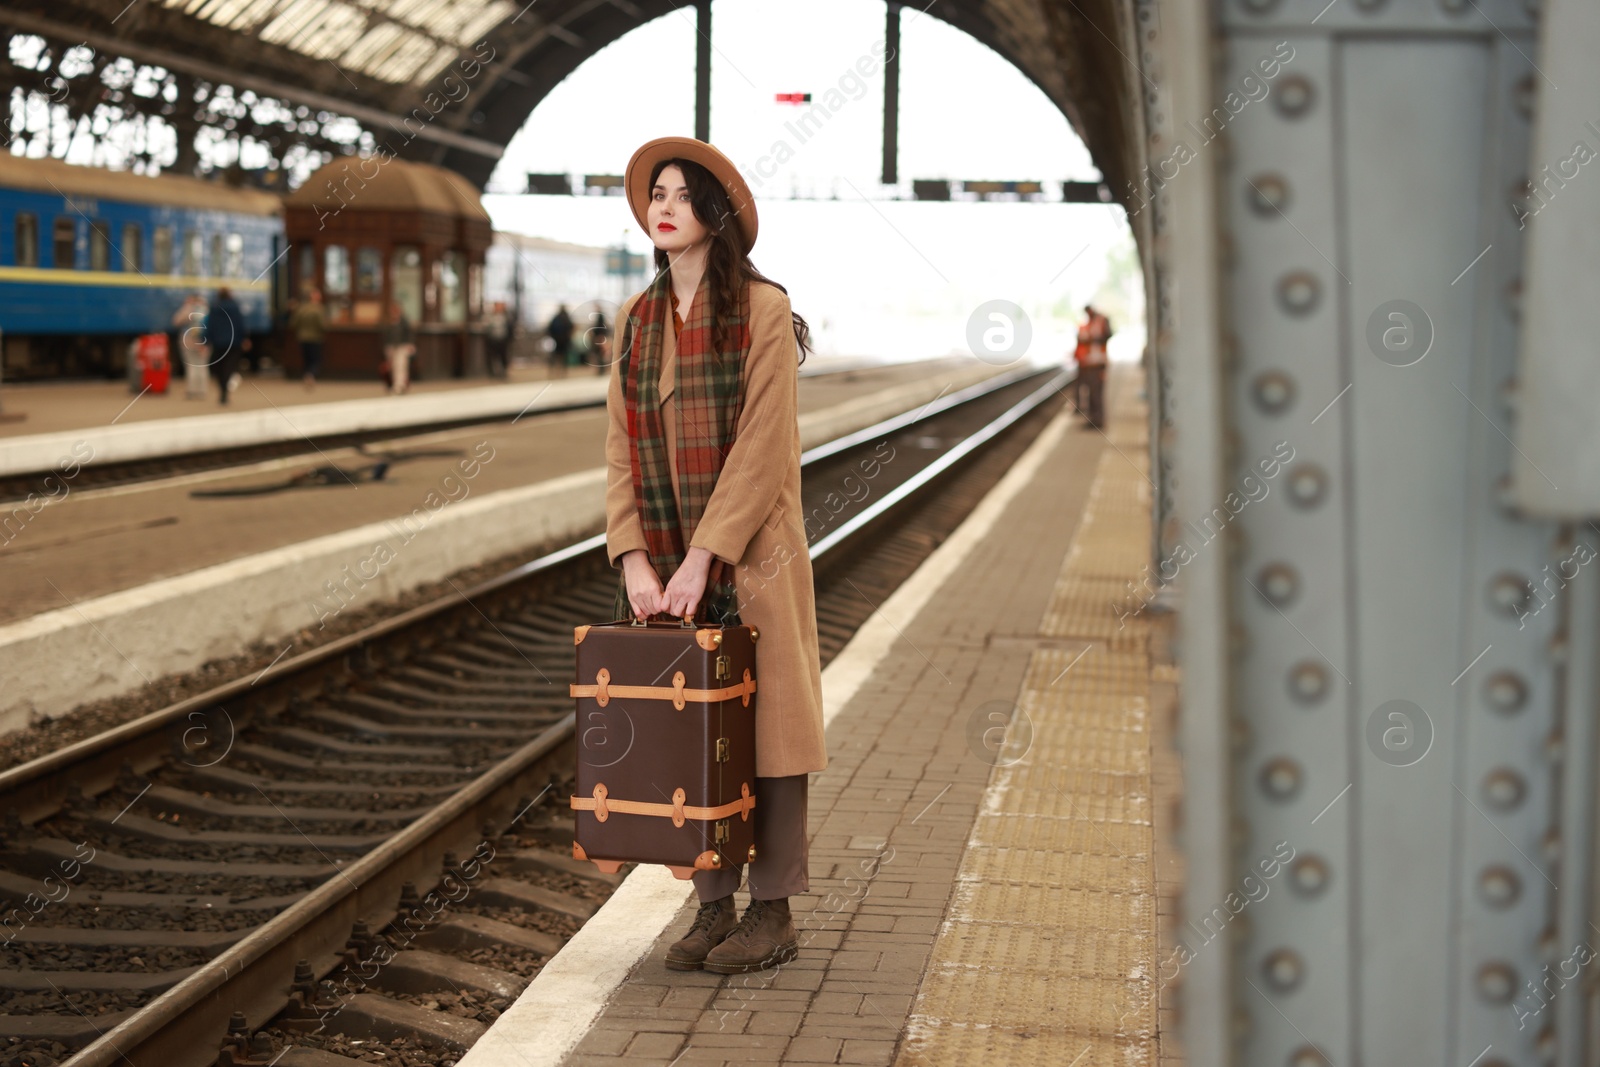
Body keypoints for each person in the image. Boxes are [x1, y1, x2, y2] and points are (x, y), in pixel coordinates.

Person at [605, 136, 825, 975]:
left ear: (715, 214)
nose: (661, 206)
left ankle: (774, 912)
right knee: (689, 731)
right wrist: (636, 559)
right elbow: (622, 450)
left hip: (754, 554)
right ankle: (711, 906)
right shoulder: (636, 320)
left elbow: (763, 447)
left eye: (681, 195)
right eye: (654, 193)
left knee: (767, 732)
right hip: (663, 553)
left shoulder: (762, 312)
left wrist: (706, 556)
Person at [207, 287, 250, 405]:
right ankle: (225, 390)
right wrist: (244, 338)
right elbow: (239, 324)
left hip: (218, 343)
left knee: (217, 367)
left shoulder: (214, 307)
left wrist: (206, 340)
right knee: (229, 366)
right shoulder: (235, 307)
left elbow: (210, 325)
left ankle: (223, 390)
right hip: (234, 342)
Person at [1076, 303, 1112, 429]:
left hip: (1098, 364)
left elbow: (1107, 334)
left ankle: (1098, 420)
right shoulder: (1088, 324)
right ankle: (1093, 419)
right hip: (1089, 363)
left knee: (1096, 393)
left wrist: (1092, 339)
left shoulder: (1102, 321)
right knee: (1091, 393)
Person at [172, 293, 210, 400]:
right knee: (202, 366)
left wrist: (186, 307)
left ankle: (193, 390)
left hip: (188, 341)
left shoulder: (188, 309)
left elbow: (176, 321)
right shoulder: (205, 309)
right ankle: (202, 390)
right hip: (204, 341)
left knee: (192, 365)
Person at [290, 287, 328, 390]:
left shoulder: (301, 308)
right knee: (315, 359)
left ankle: (306, 375)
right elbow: (322, 325)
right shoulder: (319, 309)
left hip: (302, 338)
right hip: (315, 338)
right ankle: (311, 375)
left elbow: (294, 323)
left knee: (306, 359)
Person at [382, 301, 415, 394]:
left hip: (402, 346)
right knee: (392, 367)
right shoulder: (388, 321)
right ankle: (396, 384)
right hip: (391, 347)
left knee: (400, 365)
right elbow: (385, 335)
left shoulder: (404, 321)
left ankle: (400, 385)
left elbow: (409, 333)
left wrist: (410, 345)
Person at [485, 300, 512, 379]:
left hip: (503, 340)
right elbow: (487, 327)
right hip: (493, 340)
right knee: (493, 357)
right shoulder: (490, 317)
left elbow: (510, 327)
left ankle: (503, 371)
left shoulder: (507, 317)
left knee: (503, 356)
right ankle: (493, 372)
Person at [546, 303, 573, 377]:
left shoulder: (556, 317)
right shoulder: (567, 318)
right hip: (564, 340)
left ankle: (553, 371)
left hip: (556, 340)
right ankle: (563, 372)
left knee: (555, 356)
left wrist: (553, 336)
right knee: (563, 356)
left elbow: (549, 328)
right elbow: (571, 328)